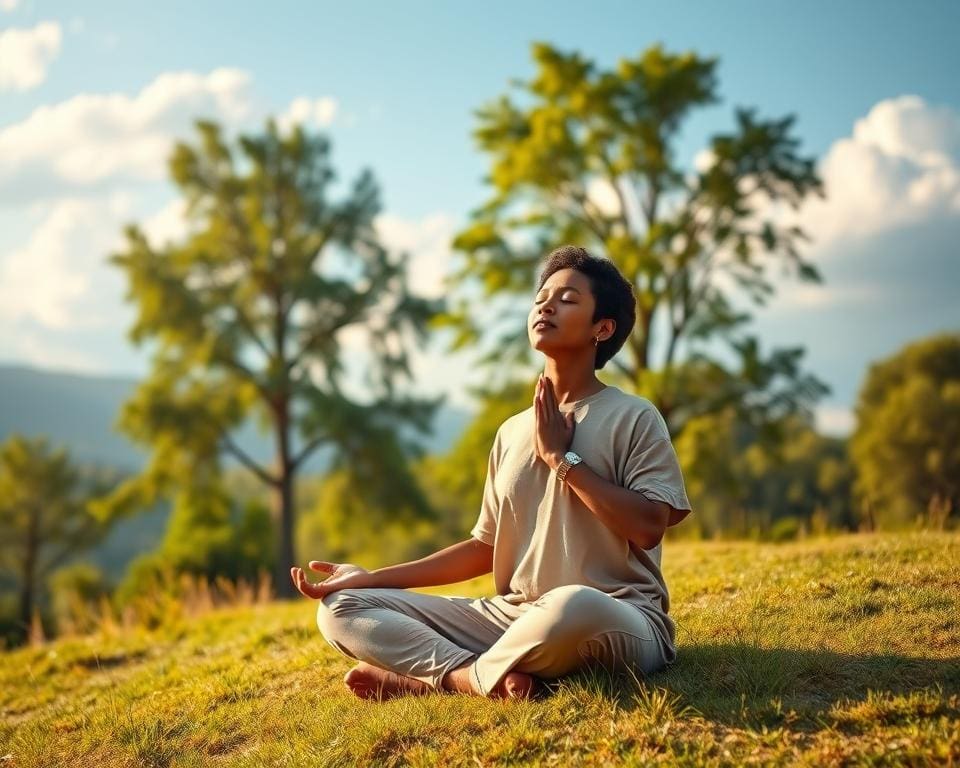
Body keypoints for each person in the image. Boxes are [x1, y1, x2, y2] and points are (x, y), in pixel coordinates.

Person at [290, 244, 692, 701]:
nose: (546, 304)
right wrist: (370, 578)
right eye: (542, 296)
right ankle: (465, 677)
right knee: (341, 609)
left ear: (603, 327)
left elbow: (648, 526)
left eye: (567, 298)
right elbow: (486, 547)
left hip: (615, 616)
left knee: (572, 604)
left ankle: (421, 677)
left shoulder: (634, 416)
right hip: (512, 618)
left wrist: (561, 459)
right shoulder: (511, 431)